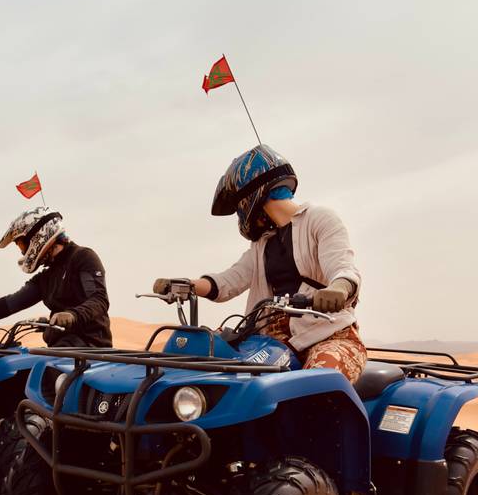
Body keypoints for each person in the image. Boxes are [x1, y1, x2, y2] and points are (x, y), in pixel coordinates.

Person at [155, 144, 366, 383]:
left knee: (315, 384)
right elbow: (229, 280)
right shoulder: (262, 244)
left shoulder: (319, 219)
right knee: (205, 355)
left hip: (330, 337)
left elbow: (343, 267)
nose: (240, 214)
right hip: (272, 343)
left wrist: (338, 289)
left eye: (238, 205)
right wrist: (187, 285)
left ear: (251, 195)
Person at [0, 207, 112, 348]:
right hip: (61, 348)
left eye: (22, 244)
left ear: (38, 234)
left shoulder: (83, 257)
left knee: (43, 372)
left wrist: (72, 314)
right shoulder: (45, 277)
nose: (23, 251)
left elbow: (99, 300)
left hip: (90, 347)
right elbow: (10, 304)